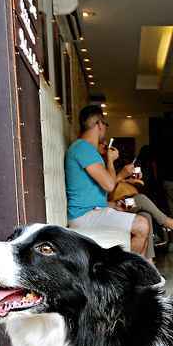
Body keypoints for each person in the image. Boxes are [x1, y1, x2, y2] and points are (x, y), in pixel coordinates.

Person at [65, 105, 152, 258]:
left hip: (96, 209)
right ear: (98, 124)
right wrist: (110, 161)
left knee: (140, 209)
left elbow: (100, 189)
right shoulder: (83, 148)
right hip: (84, 216)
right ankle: (125, 274)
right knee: (142, 225)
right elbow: (109, 185)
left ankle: (141, 272)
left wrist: (113, 204)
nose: (105, 128)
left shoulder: (87, 150)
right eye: (105, 124)